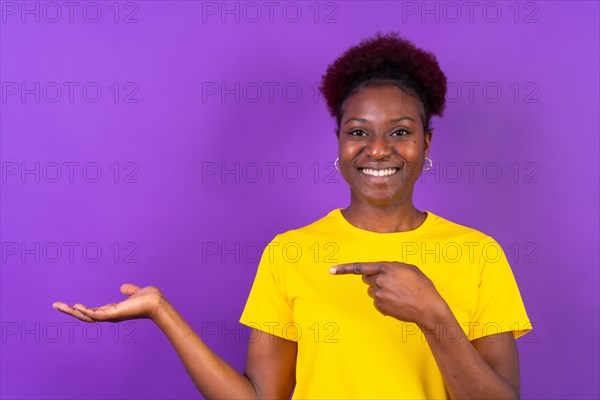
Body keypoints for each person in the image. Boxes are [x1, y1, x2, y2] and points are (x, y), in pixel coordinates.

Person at [53, 32, 531, 399]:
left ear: (427, 142)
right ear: (340, 145)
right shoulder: (291, 253)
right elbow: (260, 396)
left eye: (400, 131)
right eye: (358, 132)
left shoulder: (477, 254)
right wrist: (161, 311)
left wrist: (431, 314)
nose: (378, 149)